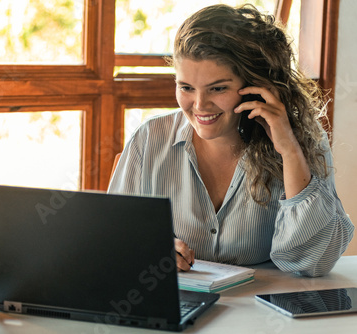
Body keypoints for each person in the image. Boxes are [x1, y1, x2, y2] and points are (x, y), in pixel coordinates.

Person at [108, 4, 354, 277]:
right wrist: (148, 250)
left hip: (266, 309)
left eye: (218, 88)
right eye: (186, 88)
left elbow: (313, 262)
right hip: (179, 307)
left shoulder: (302, 141)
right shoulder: (148, 140)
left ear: (256, 88)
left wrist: (289, 152)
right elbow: (111, 245)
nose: (199, 105)